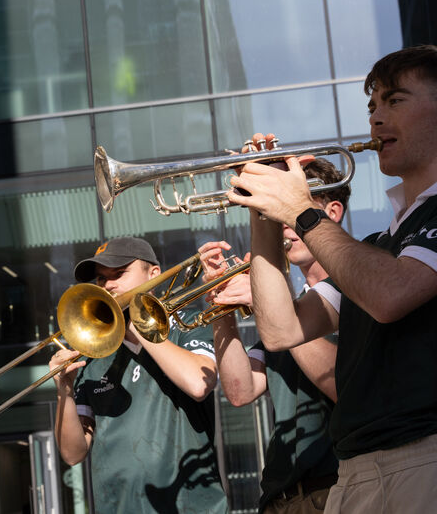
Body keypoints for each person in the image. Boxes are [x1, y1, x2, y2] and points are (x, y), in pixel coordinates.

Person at [226, 45, 437, 513]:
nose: (376, 119)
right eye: (373, 106)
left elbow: (392, 293)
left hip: (423, 458)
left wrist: (298, 210)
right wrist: (263, 213)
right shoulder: (380, 244)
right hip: (359, 471)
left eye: (395, 100)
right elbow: (281, 329)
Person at [200, 158, 348, 514]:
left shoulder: (356, 289)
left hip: (335, 488)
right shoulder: (285, 306)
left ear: (333, 211)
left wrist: (266, 298)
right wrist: (220, 307)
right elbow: (240, 390)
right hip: (278, 497)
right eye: (279, 220)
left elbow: (345, 387)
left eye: (293, 215)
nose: (284, 230)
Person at [49, 236, 228, 513]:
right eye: (101, 279)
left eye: (119, 274)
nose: (108, 285)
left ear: (153, 275)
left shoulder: (188, 324)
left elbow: (198, 383)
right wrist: (64, 391)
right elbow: (73, 453)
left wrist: (138, 324)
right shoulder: (93, 353)